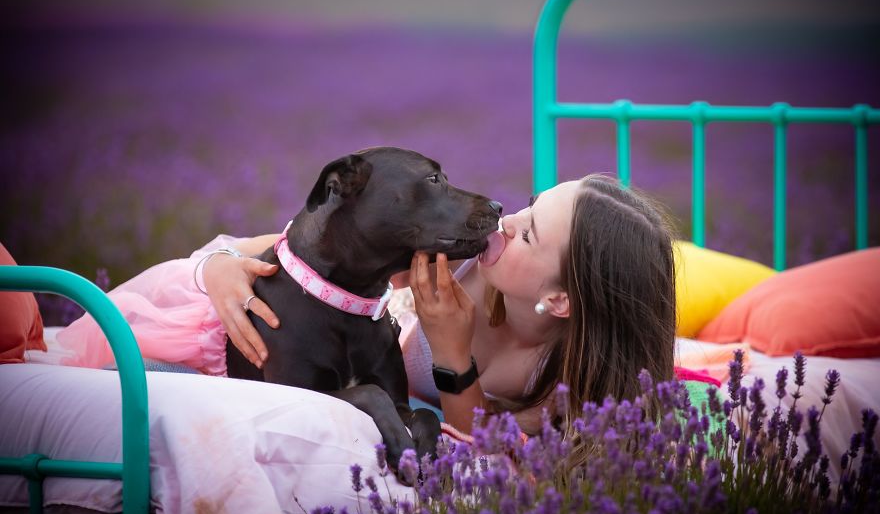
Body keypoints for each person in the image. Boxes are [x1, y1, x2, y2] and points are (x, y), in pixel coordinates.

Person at [201, 174, 678, 436]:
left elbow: (482, 448)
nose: (507, 220)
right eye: (530, 204)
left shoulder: (560, 379)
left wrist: (452, 355)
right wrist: (220, 262)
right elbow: (300, 252)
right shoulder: (458, 260)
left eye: (529, 233)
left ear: (559, 300)